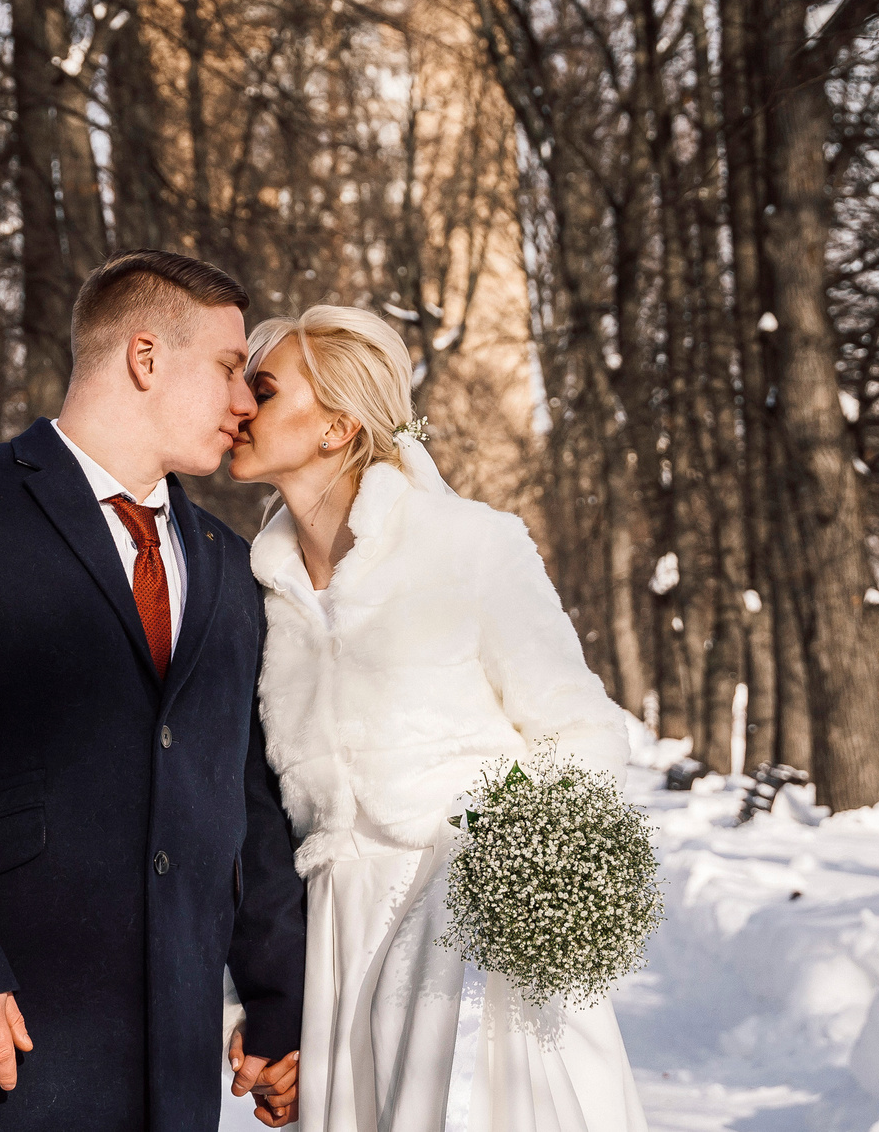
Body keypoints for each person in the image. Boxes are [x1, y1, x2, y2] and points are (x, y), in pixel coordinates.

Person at [0, 250, 308, 1130]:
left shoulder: (230, 567)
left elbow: (249, 802)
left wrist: (282, 1010)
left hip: (165, 1077)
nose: (246, 403)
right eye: (225, 368)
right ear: (143, 356)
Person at [230, 304, 652, 1132]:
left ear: (336, 426)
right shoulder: (253, 594)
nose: (239, 402)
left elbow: (587, 732)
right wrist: (262, 1001)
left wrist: (495, 882)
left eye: (264, 386)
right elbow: (249, 818)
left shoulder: (472, 547)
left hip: (470, 946)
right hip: (336, 948)